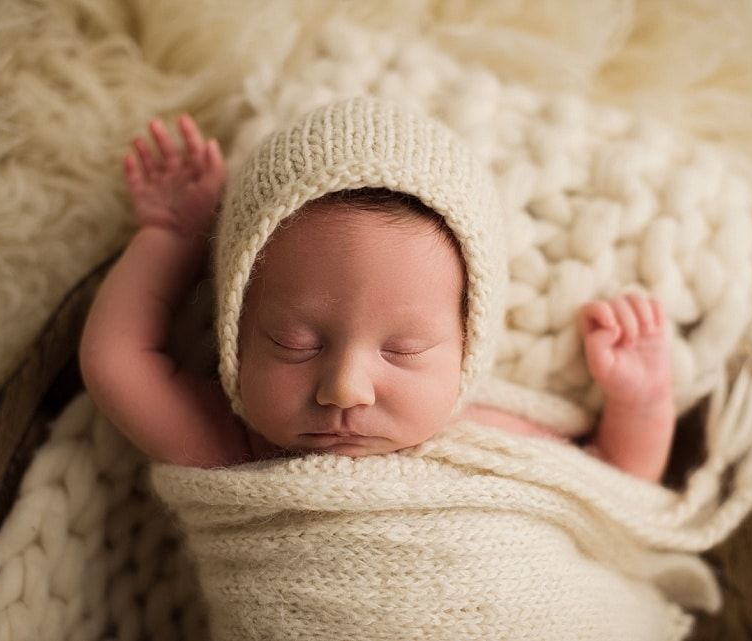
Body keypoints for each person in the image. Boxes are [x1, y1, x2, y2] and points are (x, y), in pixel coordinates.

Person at [80, 98, 675, 483]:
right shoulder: (234, 451)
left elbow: (618, 480)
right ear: (235, 336)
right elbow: (116, 363)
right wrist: (175, 236)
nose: (345, 389)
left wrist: (640, 400)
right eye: (295, 343)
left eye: (405, 350)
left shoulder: (491, 441)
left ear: (469, 345)